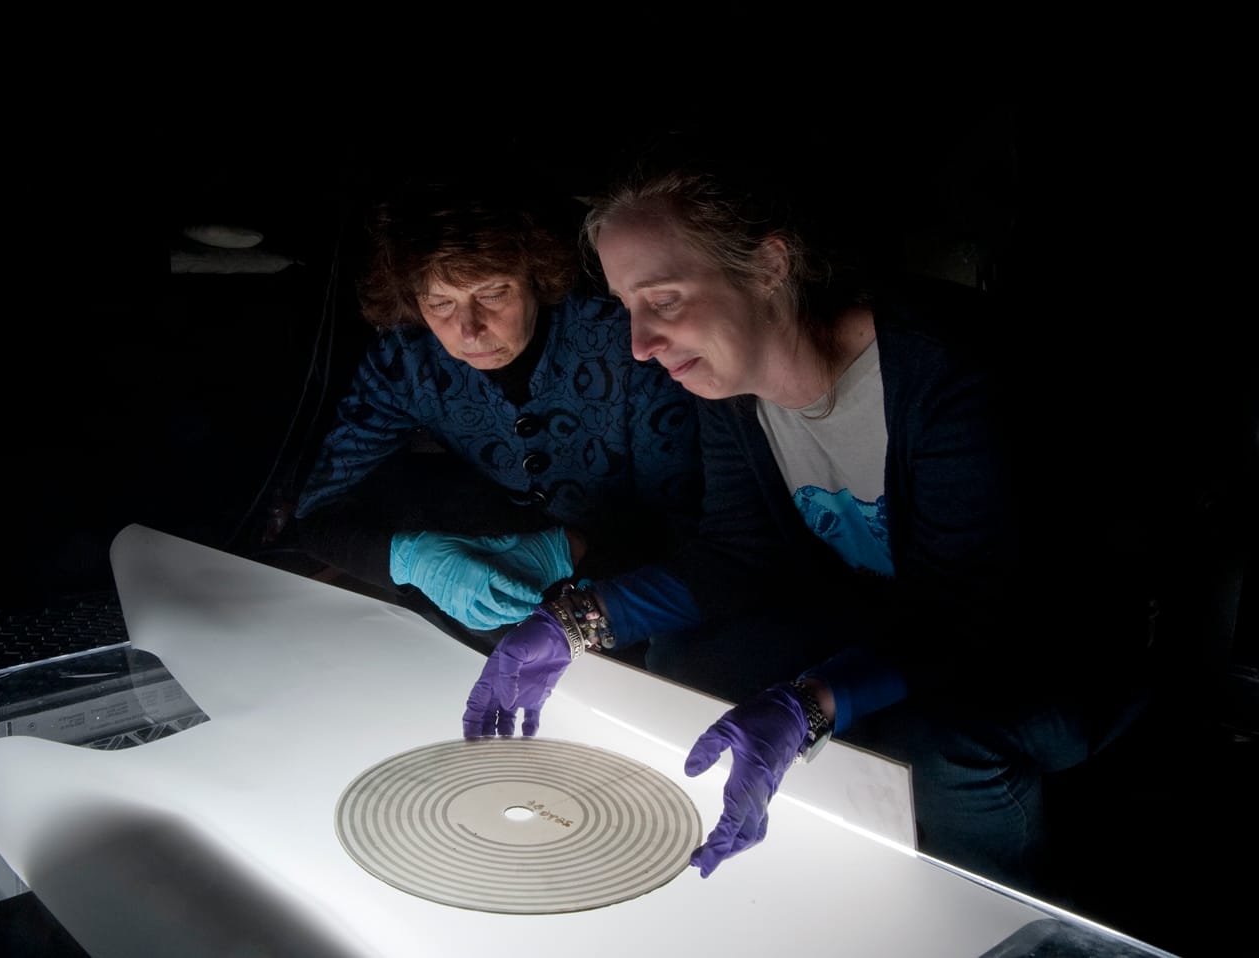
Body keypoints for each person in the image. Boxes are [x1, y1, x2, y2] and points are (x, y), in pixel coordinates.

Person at [460, 152, 1151, 899]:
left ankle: (1013, 915)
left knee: (928, 746)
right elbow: (735, 555)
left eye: (663, 299)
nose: (638, 344)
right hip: (897, 621)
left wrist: (813, 704)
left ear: (768, 268)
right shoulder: (730, 385)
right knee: (686, 658)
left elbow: (968, 615)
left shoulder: (945, 375)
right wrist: (573, 622)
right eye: (629, 306)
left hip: (1048, 641)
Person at [255, 177, 703, 649]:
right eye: (440, 302)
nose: (468, 331)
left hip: (653, 581)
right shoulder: (407, 359)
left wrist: (570, 554)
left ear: (537, 277)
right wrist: (409, 559)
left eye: (492, 295)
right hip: (510, 575)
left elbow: (697, 529)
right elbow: (318, 513)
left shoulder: (625, 340)